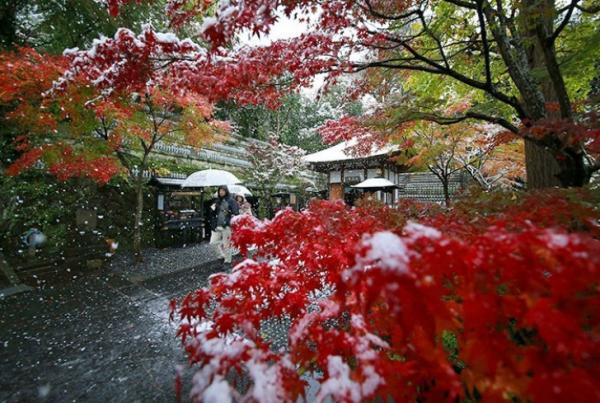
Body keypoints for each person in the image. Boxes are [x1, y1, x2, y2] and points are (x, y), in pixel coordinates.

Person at [209, 186, 239, 265]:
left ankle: (227, 260)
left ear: (226, 191)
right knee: (213, 243)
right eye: (220, 191)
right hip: (217, 225)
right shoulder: (217, 201)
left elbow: (236, 213)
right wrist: (213, 209)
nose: (221, 192)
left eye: (223, 191)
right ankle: (221, 255)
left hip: (227, 225)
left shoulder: (231, 201)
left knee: (226, 244)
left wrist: (228, 212)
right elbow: (212, 214)